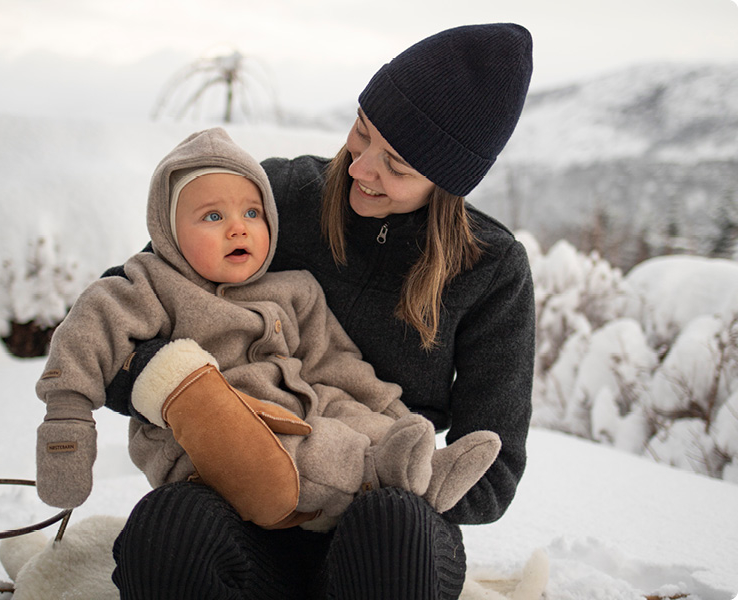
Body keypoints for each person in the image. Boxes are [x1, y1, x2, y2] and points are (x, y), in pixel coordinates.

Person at [78, 22, 532, 600]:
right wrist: (181, 394)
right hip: (245, 493)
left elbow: (494, 469)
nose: (361, 169)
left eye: (397, 166)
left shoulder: (492, 271)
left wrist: (371, 472)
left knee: (391, 533)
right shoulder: (278, 197)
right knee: (170, 531)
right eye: (361, 133)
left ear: (448, 182)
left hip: (383, 521)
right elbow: (113, 321)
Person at [34, 126, 502, 531]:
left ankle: (420, 473)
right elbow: (89, 330)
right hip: (208, 439)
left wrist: (397, 419)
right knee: (308, 446)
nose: (238, 228)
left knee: (346, 415)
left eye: (252, 214)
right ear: (168, 232)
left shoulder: (294, 289)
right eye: (213, 217)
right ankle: (388, 472)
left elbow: (334, 363)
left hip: (299, 413)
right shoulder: (153, 283)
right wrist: (67, 418)